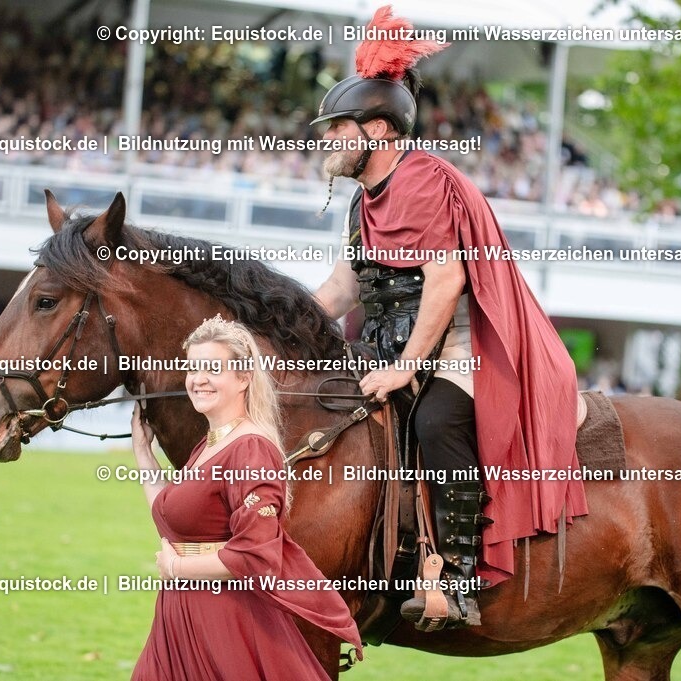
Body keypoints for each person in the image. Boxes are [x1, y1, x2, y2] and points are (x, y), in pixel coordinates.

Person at [311, 6, 585, 630]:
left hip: (457, 347)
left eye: (337, 130)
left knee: (435, 420)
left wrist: (405, 368)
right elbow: (344, 284)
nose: (325, 142)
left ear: (376, 130)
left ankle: (458, 578)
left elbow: (445, 279)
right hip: (387, 347)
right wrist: (276, 321)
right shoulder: (364, 199)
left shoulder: (423, 181)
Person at [130, 315, 361, 680]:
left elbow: (256, 554)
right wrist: (143, 454)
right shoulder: (210, 444)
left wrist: (177, 569)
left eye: (212, 369)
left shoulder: (250, 449)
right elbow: (174, 518)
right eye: (192, 369)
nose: (198, 379)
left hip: (226, 624)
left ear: (243, 378)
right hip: (182, 616)